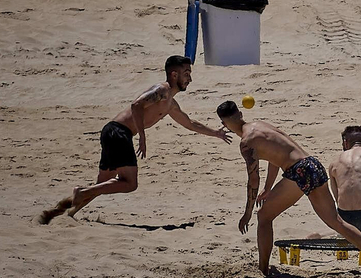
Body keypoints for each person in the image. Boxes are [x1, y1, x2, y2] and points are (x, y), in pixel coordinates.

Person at [40, 56, 230, 223]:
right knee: (130, 184)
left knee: (101, 183)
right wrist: (142, 136)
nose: (190, 78)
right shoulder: (161, 90)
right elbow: (136, 105)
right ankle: (80, 193)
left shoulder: (170, 103)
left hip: (113, 132)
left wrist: (216, 133)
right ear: (174, 74)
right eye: (186, 73)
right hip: (119, 133)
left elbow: (189, 123)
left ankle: (62, 214)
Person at [218, 101, 361, 277]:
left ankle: (263, 270)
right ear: (240, 114)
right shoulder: (261, 126)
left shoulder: (246, 143)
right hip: (312, 164)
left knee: (263, 216)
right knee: (336, 221)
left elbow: (253, 180)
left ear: (224, 124)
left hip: (298, 171)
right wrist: (268, 188)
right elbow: (274, 158)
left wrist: (247, 212)